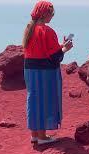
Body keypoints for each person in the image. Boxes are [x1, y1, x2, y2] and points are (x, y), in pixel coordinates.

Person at [23, 1, 73, 145]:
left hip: (30, 70)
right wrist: (65, 49)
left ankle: (34, 134)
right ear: (45, 14)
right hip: (45, 71)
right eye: (51, 13)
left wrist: (60, 46)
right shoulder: (47, 31)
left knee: (33, 99)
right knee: (45, 100)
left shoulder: (29, 29)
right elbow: (55, 56)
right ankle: (42, 136)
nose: (52, 16)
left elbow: (43, 49)